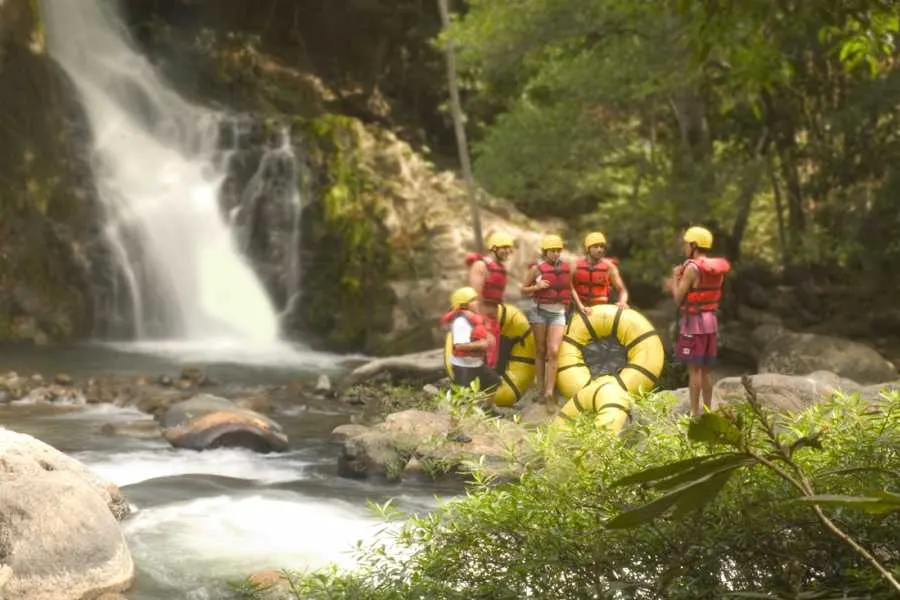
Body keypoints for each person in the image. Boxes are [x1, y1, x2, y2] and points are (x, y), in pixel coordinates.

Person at [666, 226, 731, 417]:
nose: (685, 247)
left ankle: (694, 413)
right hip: (710, 323)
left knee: (693, 371)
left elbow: (678, 298)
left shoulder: (692, 268)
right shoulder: (716, 269)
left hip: (693, 325)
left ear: (694, 245)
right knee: (705, 371)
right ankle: (709, 410)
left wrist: (675, 277)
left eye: (687, 244)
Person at [521, 234, 570, 411]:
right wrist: (537, 287)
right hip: (539, 312)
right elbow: (523, 289)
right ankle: (540, 389)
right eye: (552, 251)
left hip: (558, 313)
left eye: (558, 250)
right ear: (545, 252)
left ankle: (549, 393)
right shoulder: (536, 269)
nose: (556, 254)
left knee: (554, 351)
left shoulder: (565, 268)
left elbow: (569, 289)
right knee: (540, 350)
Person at [466, 232, 514, 369]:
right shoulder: (481, 266)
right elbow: (473, 298)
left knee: (493, 358)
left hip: (494, 319)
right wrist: (480, 323)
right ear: (493, 248)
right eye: (504, 248)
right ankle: (476, 386)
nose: (508, 251)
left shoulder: (500, 268)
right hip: (482, 318)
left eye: (509, 248)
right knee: (483, 355)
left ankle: (489, 386)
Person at [440, 286, 500, 395]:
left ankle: (489, 408)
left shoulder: (474, 318)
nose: (477, 303)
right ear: (464, 304)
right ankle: (451, 407)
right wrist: (481, 345)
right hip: (463, 365)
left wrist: (488, 338)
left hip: (476, 363)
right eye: (473, 300)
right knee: (463, 394)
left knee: (493, 382)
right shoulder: (461, 322)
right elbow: (459, 346)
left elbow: (479, 334)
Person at [570, 231, 630, 316]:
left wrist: (622, 302)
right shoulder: (574, 266)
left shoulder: (610, 267)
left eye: (602, 247)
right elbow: (569, 288)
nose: (599, 250)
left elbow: (623, 290)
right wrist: (580, 306)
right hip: (579, 308)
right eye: (595, 247)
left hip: (601, 309)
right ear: (588, 249)